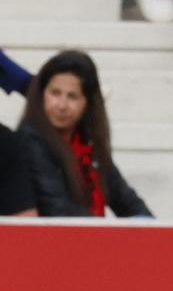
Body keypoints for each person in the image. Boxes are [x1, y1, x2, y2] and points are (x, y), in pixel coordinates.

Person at [15, 51, 151, 218]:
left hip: (92, 237)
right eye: (55, 93)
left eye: (72, 96)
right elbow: (57, 211)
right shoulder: (30, 141)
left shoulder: (88, 143)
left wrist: (146, 223)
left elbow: (128, 201)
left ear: (87, 103)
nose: (62, 105)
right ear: (42, 94)